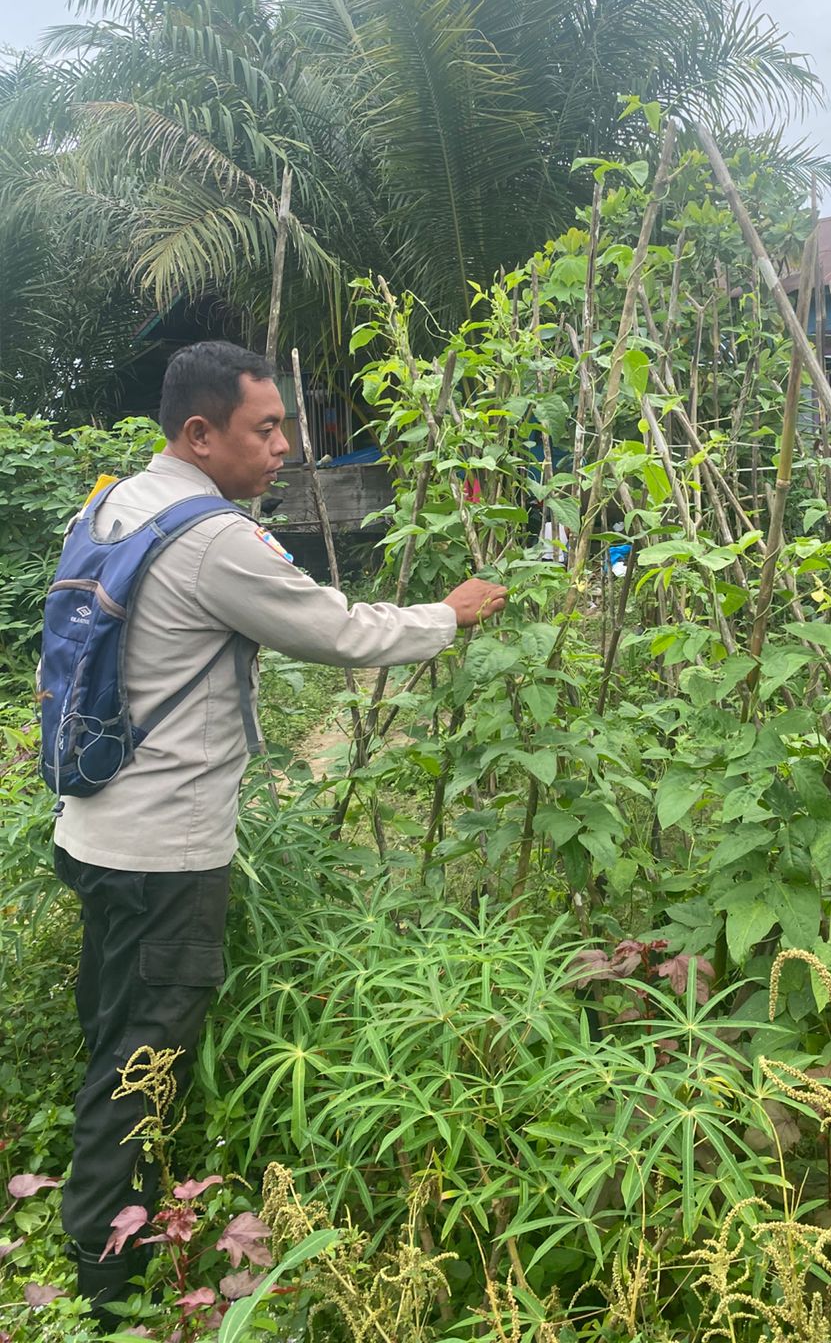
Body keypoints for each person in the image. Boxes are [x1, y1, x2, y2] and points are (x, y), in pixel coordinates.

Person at [49, 341, 506, 1318]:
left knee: (115, 1029)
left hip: (93, 829)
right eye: (265, 429)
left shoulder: (114, 503)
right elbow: (338, 630)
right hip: (166, 854)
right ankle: (106, 1282)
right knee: (142, 1061)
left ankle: (118, 1214)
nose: (285, 447)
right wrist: (448, 614)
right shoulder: (213, 538)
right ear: (199, 433)